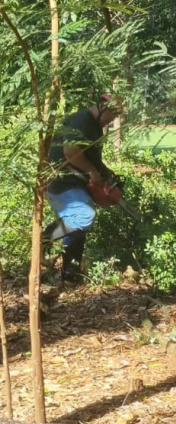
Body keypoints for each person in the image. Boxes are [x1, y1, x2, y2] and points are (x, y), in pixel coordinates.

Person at [44, 93, 123, 283]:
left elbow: (92, 158)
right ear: (103, 107)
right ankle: (44, 238)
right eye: (110, 117)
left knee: (77, 228)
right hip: (60, 182)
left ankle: (70, 274)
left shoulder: (94, 128)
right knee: (84, 214)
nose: (110, 122)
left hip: (74, 183)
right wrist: (92, 173)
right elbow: (70, 152)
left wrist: (106, 173)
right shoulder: (81, 121)